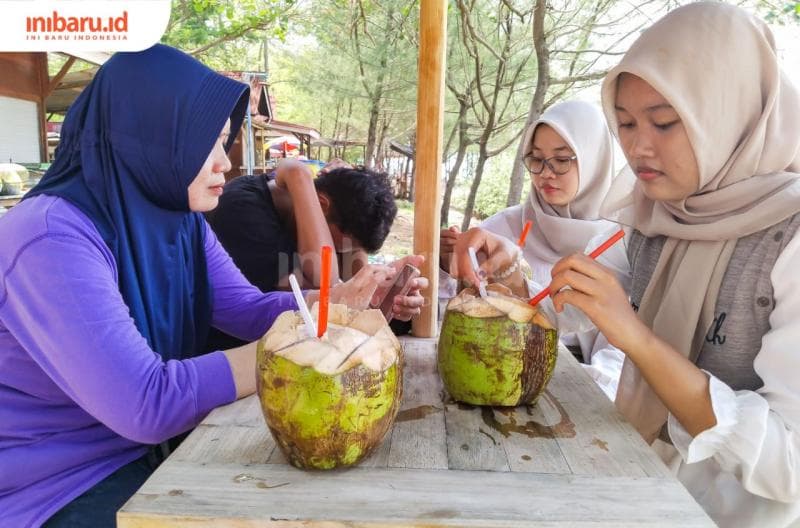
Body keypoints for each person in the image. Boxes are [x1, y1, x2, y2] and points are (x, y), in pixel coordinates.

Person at [0, 45, 411, 527]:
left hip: (155, 450)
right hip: (57, 483)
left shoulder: (177, 220)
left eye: (224, 141)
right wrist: (310, 342)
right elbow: (147, 403)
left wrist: (345, 310)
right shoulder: (50, 238)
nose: (224, 163)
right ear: (150, 137)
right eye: (209, 143)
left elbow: (247, 308)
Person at [535, 4, 800, 526]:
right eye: (627, 123)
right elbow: (573, 305)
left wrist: (638, 338)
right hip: (640, 490)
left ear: (730, 114)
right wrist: (508, 281)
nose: (637, 146)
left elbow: (788, 463)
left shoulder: (789, 236)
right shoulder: (655, 217)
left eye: (664, 122)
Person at [441, 100, 628, 397]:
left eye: (562, 159)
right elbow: (456, 306)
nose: (546, 173)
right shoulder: (501, 228)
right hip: (491, 374)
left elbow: (618, 355)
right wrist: (446, 266)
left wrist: (564, 382)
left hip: (582, 395)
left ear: (595, 159)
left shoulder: (619, 241)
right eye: (536, 159)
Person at [204, 159, 425, 350]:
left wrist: (394, 306)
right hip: (230, 361)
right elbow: (324, 290)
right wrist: (298, 175)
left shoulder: (324, 219)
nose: (341, 255)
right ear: (321, 203)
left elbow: (349, 298)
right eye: (340, 249)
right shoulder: (241, 211)